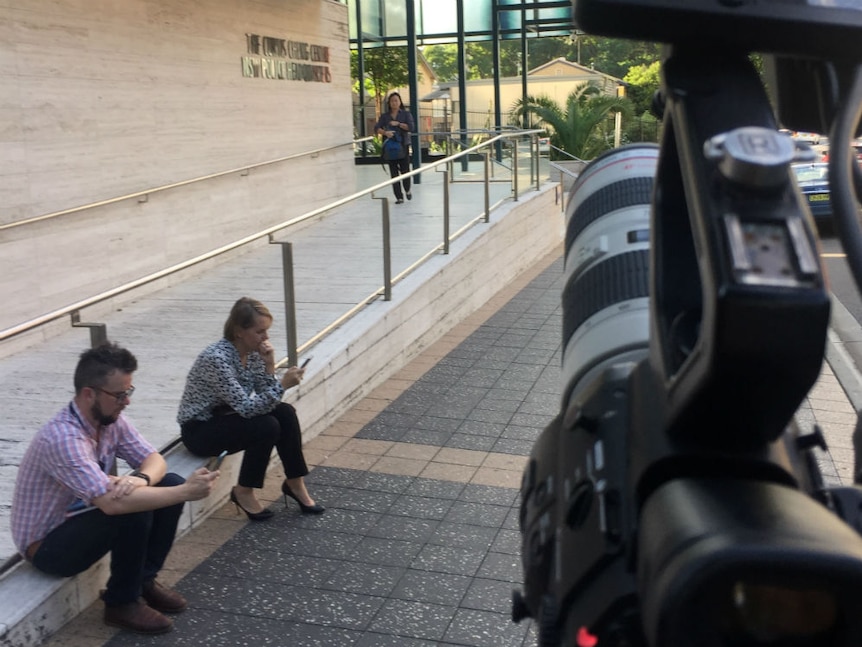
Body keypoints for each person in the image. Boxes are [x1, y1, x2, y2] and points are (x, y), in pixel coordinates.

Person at [11, 342, 218, 635]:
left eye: (128, 392)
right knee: (132, 508)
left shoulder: (109, 420)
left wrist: (142, 479)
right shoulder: (62, 438)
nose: (127, 402)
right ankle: (121, 602)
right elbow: (112, 504)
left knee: (165, 482)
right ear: (88, 394)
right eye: (120, 394)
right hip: (48, 546)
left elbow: (154, 459)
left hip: (83, 518)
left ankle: (143, 580)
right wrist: (186, 493)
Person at [177, 296, 324, 522]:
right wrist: (283, 383)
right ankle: (243, 490)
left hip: (228, 416)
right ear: (238, 331)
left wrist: (269, 365)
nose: (266, 337)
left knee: (284, 412)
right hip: (200, 430)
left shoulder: (253, 352)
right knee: (266, 426)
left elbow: (268, 398)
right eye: (260, 331)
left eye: (267, 331)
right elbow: (247, 408)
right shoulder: (216, 359)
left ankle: (295, 482)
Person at [374, 91, 415, 204]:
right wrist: (385, 132)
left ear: (400, 102)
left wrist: (399, 124)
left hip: (403, 146)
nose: (394, 103)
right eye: (392, 101)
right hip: (389, 148)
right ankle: (399, 197)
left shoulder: (406, 114)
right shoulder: (385, 116)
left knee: (405, 170)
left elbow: (411, 127)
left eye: (396, 100)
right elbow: (376, 128)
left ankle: (407, 189)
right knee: (393, 173)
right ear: (389, 103)